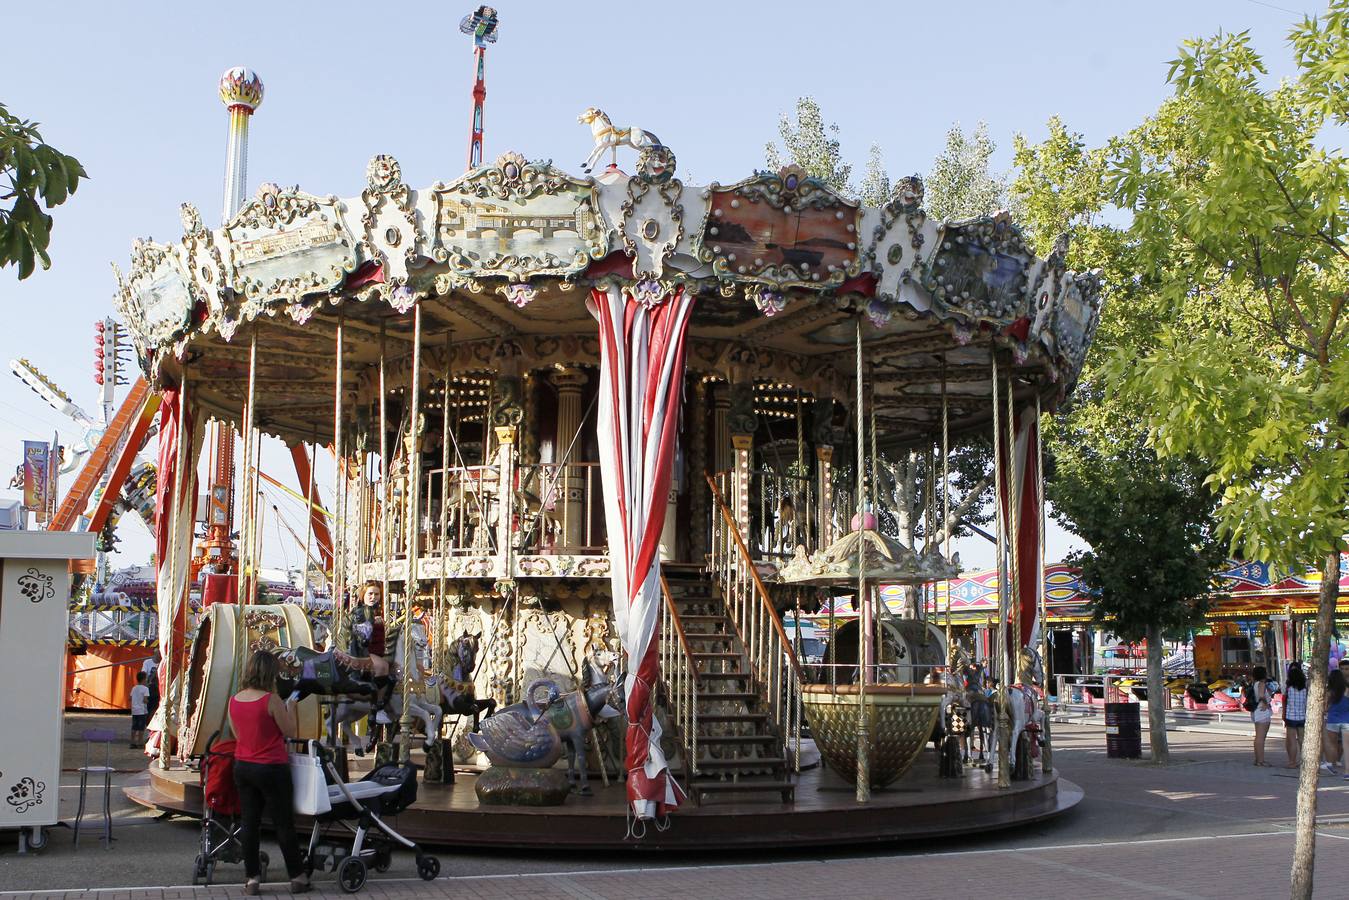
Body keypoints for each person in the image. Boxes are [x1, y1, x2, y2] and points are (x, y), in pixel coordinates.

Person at [228, 651, 309, 895]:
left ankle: (252, 878)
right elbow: (290, 730)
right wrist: (291, 707)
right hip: (271, 766)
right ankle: (297, 876)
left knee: (249, 824)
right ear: (269, 673)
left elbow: (236, 734)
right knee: (283, 823)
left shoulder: (235, 699)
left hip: (243, 765)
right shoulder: (271, 700)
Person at [1322, 669, 1349, 775]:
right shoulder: (1347, 689)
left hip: (1332, 720)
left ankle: (1330, 764)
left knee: (1331, 744)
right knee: (1345, 745)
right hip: (1347, 720)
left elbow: (1325, 708)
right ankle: (1345, 769)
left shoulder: (1329, 691)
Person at [1250, 665, 1277, 766]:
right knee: (1261, 737)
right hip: (1262, 711)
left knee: (1258, 737)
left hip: (1256, 711)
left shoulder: (1255, 684)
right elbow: (1261, 695)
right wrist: (1266, 704)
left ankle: (1258, 759)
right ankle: (1260, 761)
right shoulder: (1261, 684)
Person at [1283, 661, 1308, 768]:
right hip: (1302, 716)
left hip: (1290, 716)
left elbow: (1285, 701)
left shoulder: (1288, 688)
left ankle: (1292, 762)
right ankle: (1304, 762)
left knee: (1292, 740)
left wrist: (1283, 714)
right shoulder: (1305, 687)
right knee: (1302, 740)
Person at [129, 672, 150, 749]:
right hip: (142, 710)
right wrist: (148, 701)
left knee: (134, 727)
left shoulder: (134, 688)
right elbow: (145, 700)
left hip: (134, 710)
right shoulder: (145, 689)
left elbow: (130, 698)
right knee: (141, 727)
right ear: (144, 679)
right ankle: (140, 742)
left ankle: (132, 742)